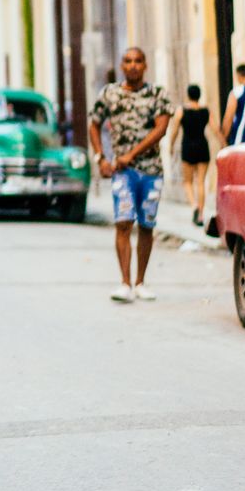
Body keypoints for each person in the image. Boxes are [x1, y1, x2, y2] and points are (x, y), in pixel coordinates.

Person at [89, 47, 172, 305]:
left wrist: (131, 154)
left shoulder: (157, 94)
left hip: (151, 171)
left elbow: (161, 128)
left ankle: (140, 282)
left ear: (145, 65)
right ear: (121, 65)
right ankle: (125, 283)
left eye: (138, 61)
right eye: (128, 61)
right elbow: (94, 123)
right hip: (123, 173)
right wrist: (100, 157)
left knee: (146, 225)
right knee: (123, 222)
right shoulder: (110, 93)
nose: (133, 65)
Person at [168, 84, 222, 228]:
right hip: (202, 146)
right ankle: (201, 213)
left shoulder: (181, 111)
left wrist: (171, 146)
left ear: (188, 95)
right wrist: (224, 143)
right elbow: (216, 129)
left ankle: (194, 206)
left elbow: (174, 130)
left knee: (187, 181)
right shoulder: (206, 111)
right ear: (199, 95)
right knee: (201, 182)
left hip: (188, 147)